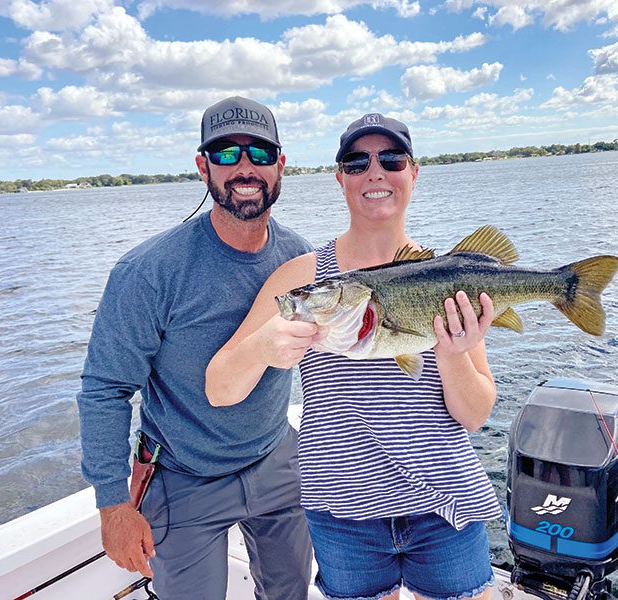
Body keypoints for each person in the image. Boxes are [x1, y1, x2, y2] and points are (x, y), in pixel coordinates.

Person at [206, 113, 503, 600]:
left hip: (444, 505)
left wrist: (452, 353)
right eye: (357, 161)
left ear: (413, 171)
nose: (375, 172)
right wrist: (262, 347)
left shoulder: (448, 276)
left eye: (391, 159)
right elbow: (219, 388)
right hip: (343, 513)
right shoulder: (302, 278)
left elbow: (474, 415)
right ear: (339, 176)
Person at [76, 96, 313, 599]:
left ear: (281, 165)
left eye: (260, 154)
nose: (245, 168)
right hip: (183, 475)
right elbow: (105, 390)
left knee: (291, 592)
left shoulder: (300, 259)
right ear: (202, 166)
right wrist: (113, 506)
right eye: (226, 154)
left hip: (275, 457)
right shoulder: (148, 272)